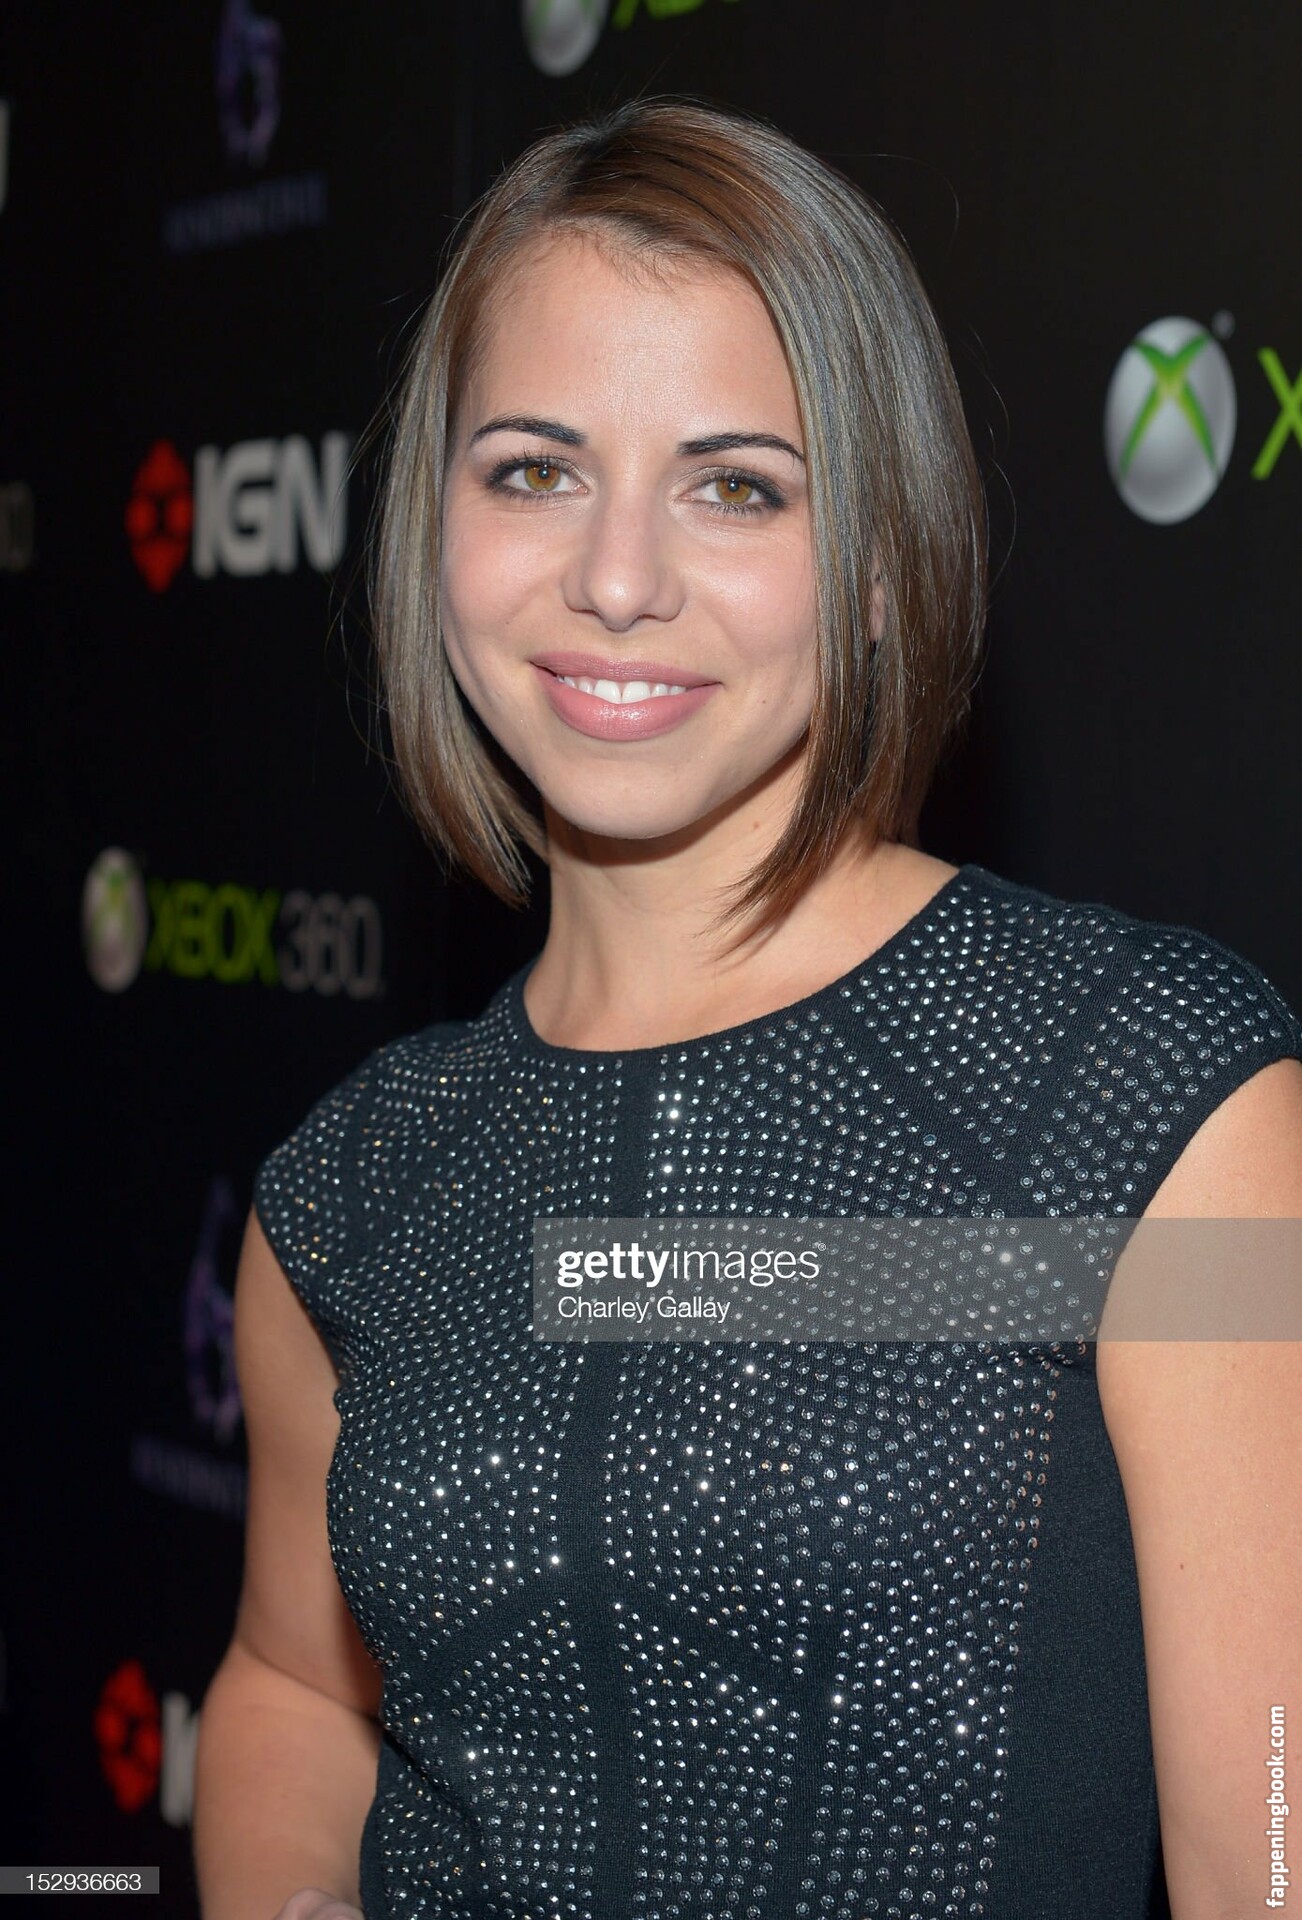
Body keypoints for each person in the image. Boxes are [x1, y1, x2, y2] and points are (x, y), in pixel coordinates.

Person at [192, 95, 1302, 1920]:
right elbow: (293, 1684)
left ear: (874, 559)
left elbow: (1271, 1846)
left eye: (735, 486)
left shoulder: (1141, 1097)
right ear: (431, 526)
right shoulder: (361, 1182)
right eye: (533, 471)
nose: (616, 579)